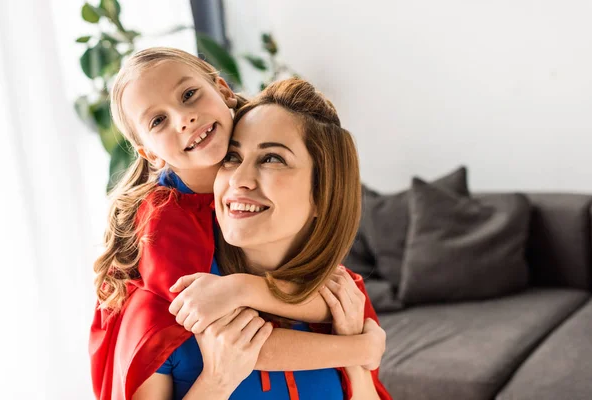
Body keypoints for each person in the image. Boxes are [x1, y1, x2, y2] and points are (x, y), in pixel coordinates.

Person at [89, 48, 386, 400]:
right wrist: (359, 349)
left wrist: (357, 354)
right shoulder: (164, 221)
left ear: (223, 90)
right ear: (150, 153)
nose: (184, 119)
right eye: (158, 121)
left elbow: (330, 301)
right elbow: (231, 340)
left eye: (188, 96)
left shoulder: (342, 287)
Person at [164, 78, 392, 399]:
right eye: (231, 157)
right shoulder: (171, 293)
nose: (239, 180)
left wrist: (357, 359)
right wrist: (215, 383)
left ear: (322, 196)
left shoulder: (343, 295)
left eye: (272, 158)